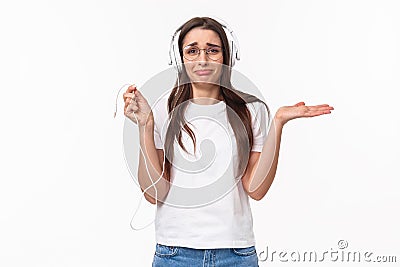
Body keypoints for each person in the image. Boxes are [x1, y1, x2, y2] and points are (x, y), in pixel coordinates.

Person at [122, 17, 333, 267]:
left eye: (213, 50)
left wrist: (278, 123)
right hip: (175, 253)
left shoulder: (252, 109)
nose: (203, 59)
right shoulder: (160, 109)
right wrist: (145, 126)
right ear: (180, 58)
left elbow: (256, 189)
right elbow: (154, 194)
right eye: (192, 51)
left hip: (236, 254)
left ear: (226, 56)